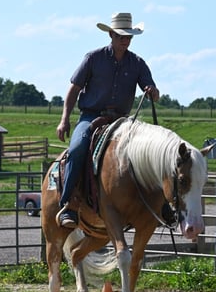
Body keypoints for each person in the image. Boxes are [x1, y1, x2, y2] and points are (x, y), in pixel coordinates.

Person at [55, 12, 160, 228]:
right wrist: (64, 119)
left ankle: (155, 205)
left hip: (122, 121)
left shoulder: (138, 63)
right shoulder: (93, 58)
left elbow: (154, 93)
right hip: (91, 116)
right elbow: (74, 89)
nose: (126, 40)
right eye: (121, 36)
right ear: (111, 35)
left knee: (147, 151)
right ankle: (69, 204)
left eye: (129, 36)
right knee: (77, 149)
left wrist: (152, 91)